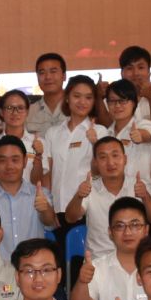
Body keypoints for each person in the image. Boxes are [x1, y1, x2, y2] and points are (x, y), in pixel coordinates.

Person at [63, 136, 151, 258]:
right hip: (98, 261)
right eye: (103, 157)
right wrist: (79, 196)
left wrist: (145, 196)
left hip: (134, 259)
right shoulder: (89, 188)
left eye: (115, 155)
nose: (110, 163)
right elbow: (70, 218)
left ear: (125, 159)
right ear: (95, 163)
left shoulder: (139, 185)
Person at [0, 136, 57, 255]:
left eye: (15, 160)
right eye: (2, 161)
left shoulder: (40, 194)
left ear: (25, 161)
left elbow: (50, 222)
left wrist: (45, 209)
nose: (9, 166)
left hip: (32, 264)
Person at [44, 74, 101, 215]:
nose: (82, 102)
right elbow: (48, 173)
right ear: (67, 98)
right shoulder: (52, 133)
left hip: (86, 210)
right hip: (57, 208)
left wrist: (96, 144)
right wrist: (48, 206)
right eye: (77, 96)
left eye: (88, 97)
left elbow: (101, 172)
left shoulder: (100, 131)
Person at [102, 78, 151, 182]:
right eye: (112, 101)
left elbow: (148, 135)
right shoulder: (106, 133)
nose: (117, 105)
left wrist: (140, 135)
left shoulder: (143, 124)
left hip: (140, 189)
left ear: (134, 103)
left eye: (123, 100)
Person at [26, 52, 68, 135]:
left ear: (64, 76)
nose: (48, 77)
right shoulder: (28, 113)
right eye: (42, 73)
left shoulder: (77, 108)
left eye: (53, 71)